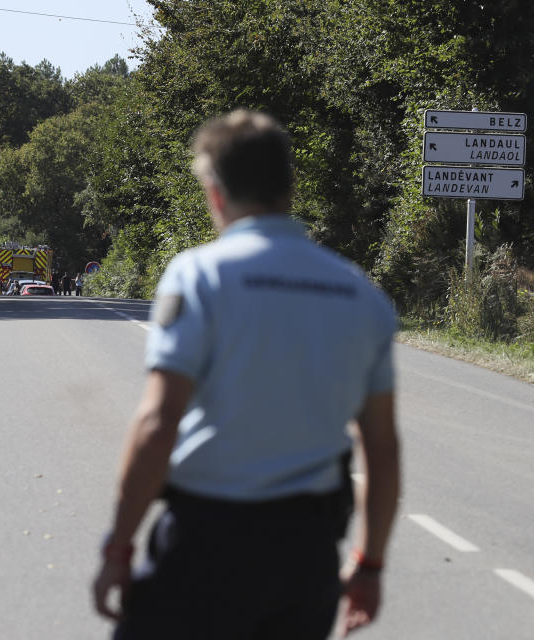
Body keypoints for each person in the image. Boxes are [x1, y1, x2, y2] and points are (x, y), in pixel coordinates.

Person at [92, 110, 400, 639]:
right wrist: (369, 565)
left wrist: (119, 546)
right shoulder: (359, 293)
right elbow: (381, 445)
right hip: (306, 555)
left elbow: (157, 423)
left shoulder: (200, 274)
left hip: (205, 541)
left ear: (215, 193)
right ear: (289, 188)